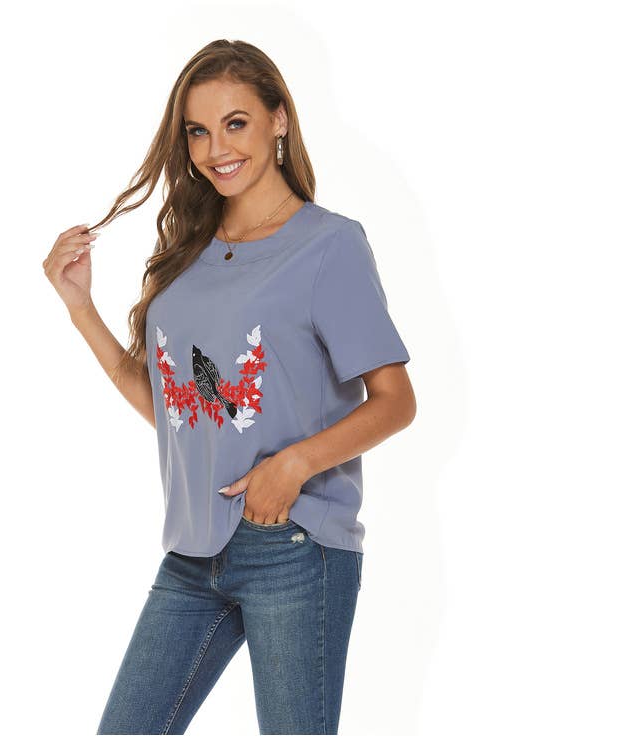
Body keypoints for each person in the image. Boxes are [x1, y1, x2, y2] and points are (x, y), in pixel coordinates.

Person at [42, 39, 416, 735]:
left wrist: (293, 465)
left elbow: (397, 401)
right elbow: (174, 410)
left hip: (292, 543)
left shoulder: (328, 245)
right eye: (198, 131)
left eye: (235, 123)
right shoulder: (190, 252)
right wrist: (81, 308)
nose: (216, 149)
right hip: (191, 550)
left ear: (279, 119)